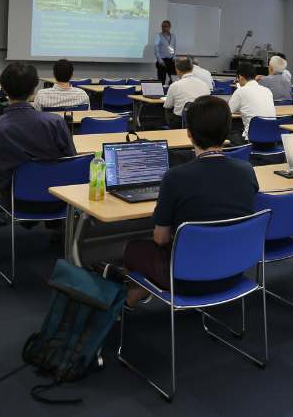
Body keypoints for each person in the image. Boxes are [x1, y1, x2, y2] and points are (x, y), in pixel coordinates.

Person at [113, 96, 259, 308]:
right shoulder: (247, 171)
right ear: (228, 131)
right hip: (233, 271)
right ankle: (137, 293)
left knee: (131, 248)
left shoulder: (176, 177)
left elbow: (161, 239)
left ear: (189, 133)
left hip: (186, 279)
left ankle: (128, 300)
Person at [0, 62, 76, 242]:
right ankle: (58, 230)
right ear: (33, 91)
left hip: (17, 198)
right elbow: (70, 158)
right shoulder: (55, 122)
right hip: (59, 197)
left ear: (3, 90)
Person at [228, 62, 276, 141]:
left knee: (226, 137)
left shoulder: (240, 91)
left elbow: (227, 111)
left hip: (252, 141)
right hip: (271, 140)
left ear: (241, 77)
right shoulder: (267, 90)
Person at [163, 57, 211, 129]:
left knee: (165, 113)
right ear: (192, 68)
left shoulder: (175, 86)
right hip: (200, 120)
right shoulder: (205, 85)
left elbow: (168, 107)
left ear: (177, 70)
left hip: (179, 122)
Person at [154, 20, 177, 85]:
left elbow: (173, 47)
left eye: (165, 26)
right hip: (162, 61)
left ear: (170, 27)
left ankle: (170, 91)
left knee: (175, 79)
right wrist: (160, 61)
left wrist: (174, 57)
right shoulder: (158, 36)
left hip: (171, 60)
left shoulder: (173, 36)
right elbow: (156, 50)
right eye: (162, 26)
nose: (163, 28)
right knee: (161, 81)